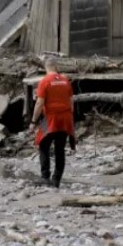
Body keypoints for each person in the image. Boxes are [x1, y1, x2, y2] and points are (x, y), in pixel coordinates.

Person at [29, 57, 76, 187]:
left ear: (46, 67)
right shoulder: (66, 81)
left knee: (43, 144)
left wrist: (33, 122)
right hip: (65, 118)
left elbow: (39, 103)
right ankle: (56, 180)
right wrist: (70, 117)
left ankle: (45, 177)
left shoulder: (44, 81)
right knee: (59, 149)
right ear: (56, 67)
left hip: (50, 118)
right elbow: (71, 101)